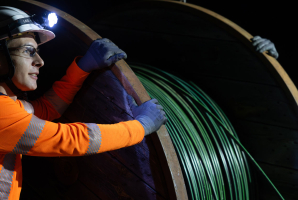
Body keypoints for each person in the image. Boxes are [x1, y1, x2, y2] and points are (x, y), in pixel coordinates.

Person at [0, 6, 167, 200]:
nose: (40, 61)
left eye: (37, 52)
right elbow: (73, 139)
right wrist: (141, 127)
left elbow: (45, 109)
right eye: (28, 51)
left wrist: (81, 68)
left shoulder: (7, 108)